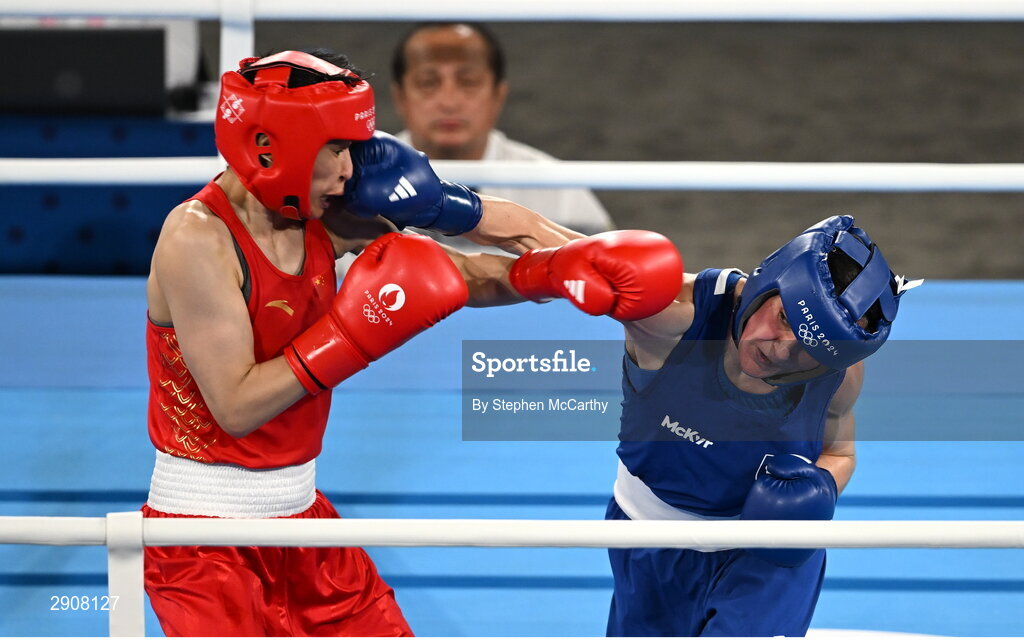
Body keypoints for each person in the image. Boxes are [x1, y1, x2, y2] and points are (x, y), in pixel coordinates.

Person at [142, 49, 682, 636]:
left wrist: (560, 266)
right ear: (273, 146)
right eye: (336, 147)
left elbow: (461, 272)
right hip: (202, 539)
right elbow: (237, 405)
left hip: (301, 516)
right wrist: (353, 334)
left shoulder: (321, 214)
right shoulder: (197, 238)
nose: (351, 169)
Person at [588, 216, 923, 636]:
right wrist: (480, 217)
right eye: (785, 318)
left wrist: (818, 491)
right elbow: (573, 257)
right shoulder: (678, 316)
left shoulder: (839, 377)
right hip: (648, 536)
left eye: (811, 349)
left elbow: (839, 453)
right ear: (768, 282)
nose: (781, 350)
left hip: (763, 558)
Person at [389, 22, 615, 246]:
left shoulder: (557, 188)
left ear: (498, 95)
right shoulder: (357, 178)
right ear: (400, 97)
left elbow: (605, 271)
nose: (449, 102)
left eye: (469, 82)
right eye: (428, 83)